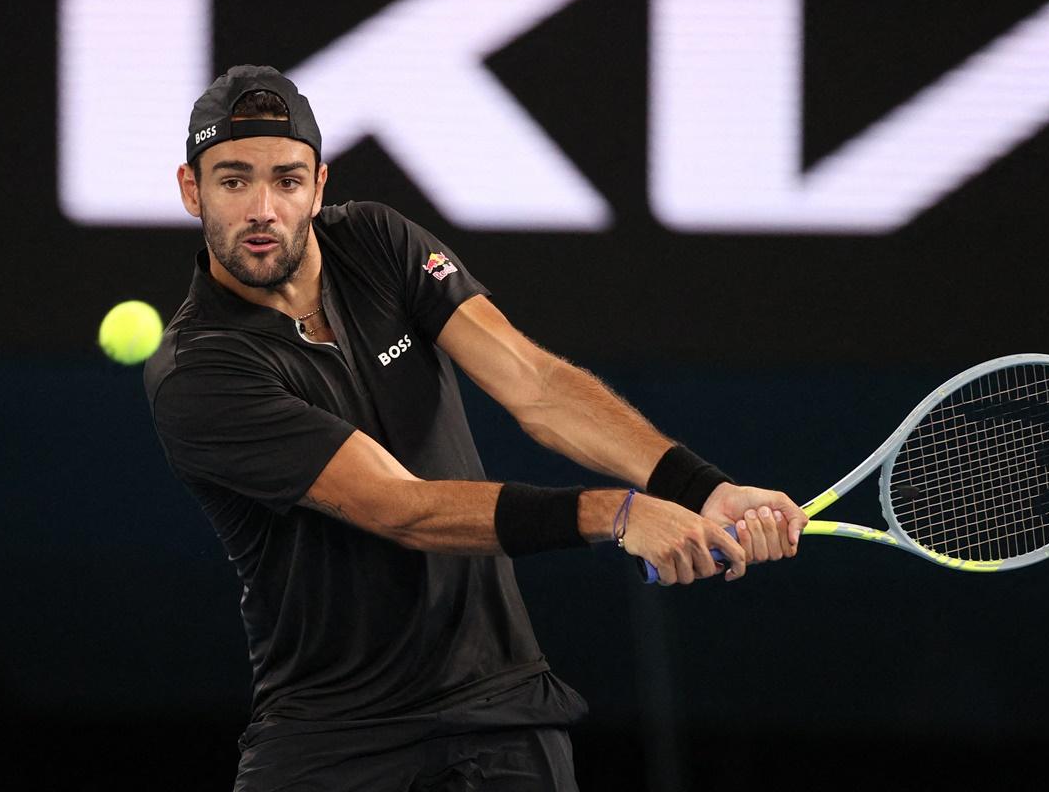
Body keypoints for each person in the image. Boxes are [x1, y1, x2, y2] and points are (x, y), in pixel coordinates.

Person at [145, 65, 808, 791]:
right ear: (192, 189)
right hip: (331, 740)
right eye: (234, 181)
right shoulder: (200, 370)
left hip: (499, 712)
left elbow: (536, 384)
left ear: (320, 184)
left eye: (287, 180)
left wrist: (699, 487)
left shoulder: (377, 242)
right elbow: (402, 508)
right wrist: (616, 514)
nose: (263, 209)